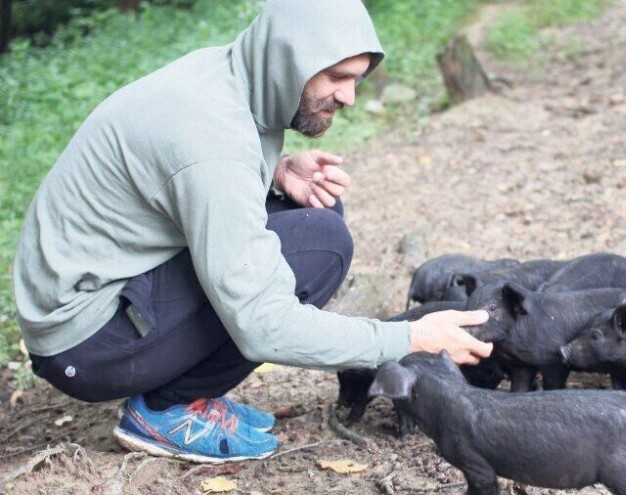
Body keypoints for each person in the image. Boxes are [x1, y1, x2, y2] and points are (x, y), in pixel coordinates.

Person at [12, 0, 492, 464]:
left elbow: (189, 180)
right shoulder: (210, 138)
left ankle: (179, 388)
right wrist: (409, 338)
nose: (348, 96)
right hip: (85, 339)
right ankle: (167, 408)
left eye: (357, 79)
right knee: (320, 245)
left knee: (312, 212)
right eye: (337, 77)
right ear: (288, 59)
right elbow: (265, 325)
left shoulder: (230, 76)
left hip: (105, 281)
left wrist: (276, 174)